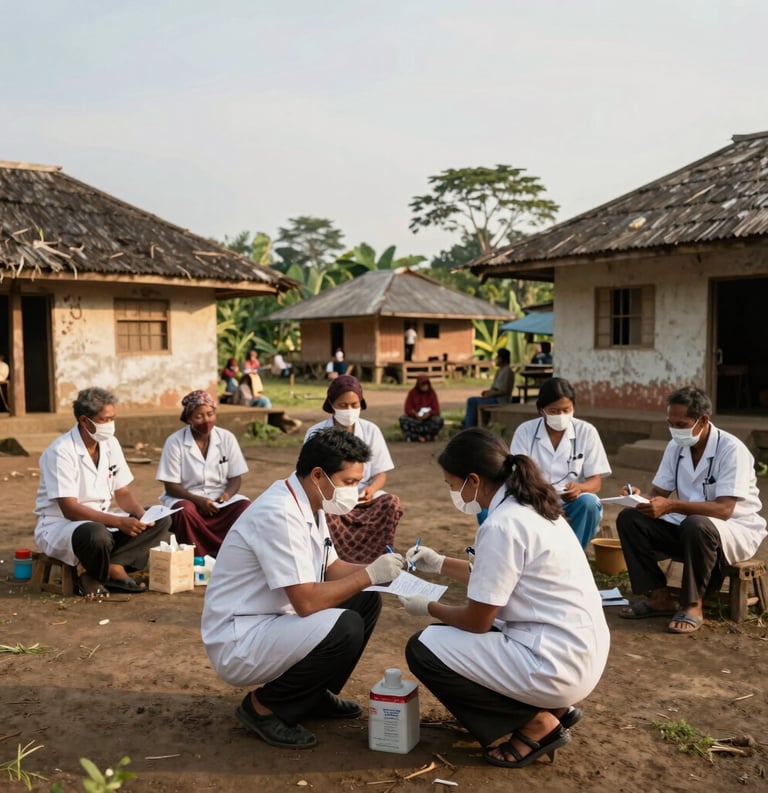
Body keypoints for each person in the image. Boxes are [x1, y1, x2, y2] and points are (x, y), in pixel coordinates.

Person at [399, 428, 609, 769]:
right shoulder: (534, 507)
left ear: (473, 480)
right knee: (452, 637)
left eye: (453, 485)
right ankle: (551, 709)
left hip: (555, 664)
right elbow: (497, 578)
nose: (454, 493)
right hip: (579, 652)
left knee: (425, 647)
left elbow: (477, 621)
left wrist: (427, 606)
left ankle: (534, 723)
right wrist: (438, 563)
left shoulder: (501, 525)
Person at [201, 428, 404, 750]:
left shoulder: (309, 503)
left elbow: (333, 567)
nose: (355, 491)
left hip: (273, 621)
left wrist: (389, 574)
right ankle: (263, 707)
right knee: (346, 624)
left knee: (365, 601)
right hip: (241, 636)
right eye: (350, 482)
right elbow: (307, 602)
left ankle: (312, 693)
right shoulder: (279, 512)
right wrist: (370, 574)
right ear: (319, 475)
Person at [617, 386, 767, 634]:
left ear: (703, 420)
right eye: (671, 423)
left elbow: (724, 509)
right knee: (630, 519)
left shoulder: (731, 449)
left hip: (733, 531)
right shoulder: (675, 447)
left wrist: (673, 506)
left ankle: (692, 604)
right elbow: (658, 495)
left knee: (697, 523)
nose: (675, 429)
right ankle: (659, 596)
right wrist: (637, 498)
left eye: (681, 423)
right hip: (688, 527)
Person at [34, 387, 171, 597]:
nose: (110, 425)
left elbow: (122, 491)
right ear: (84, 420)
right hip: (63, 526)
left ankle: (113, 566)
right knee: (97, 535)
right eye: (104, 420)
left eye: (112, 419)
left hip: (104, 518)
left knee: (161, 519)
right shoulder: (61, 452)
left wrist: (141, 515)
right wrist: (117, 523)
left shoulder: (110, 444)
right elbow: (69, 509)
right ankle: (95, 575)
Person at [304, 375, 403, 564]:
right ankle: (334, 563)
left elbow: (381, 473)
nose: (349, 410)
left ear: (361, 404)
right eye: (342, 405)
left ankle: (375, 560)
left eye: (354, 404)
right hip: (329, 495)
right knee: (324, 512)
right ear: (331, 404)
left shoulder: (371, 430)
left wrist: (371, 491)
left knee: (391, 503)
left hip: (363, 496)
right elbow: (310, 476)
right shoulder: (316, 434)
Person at [510, 377, 610, 548]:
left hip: (570, 503)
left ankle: (574, 555)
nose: (561, 416)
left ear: (573, 408)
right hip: (533, 499)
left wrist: (580, 488)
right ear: (541, 410)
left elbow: (596, 481)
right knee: (494, 507)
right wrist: (542, 497)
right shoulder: (525, 431)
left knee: (590, 503)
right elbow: (517, 475)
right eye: (554, 411)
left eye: (566, 410)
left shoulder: (587, 432)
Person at [156, 390, 251, 557]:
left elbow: (236, 477)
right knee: (184, 511)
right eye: (199, 416)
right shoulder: (175, 442)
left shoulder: (227, 438)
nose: (206, 420)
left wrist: (227, 495)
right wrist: (198, 500)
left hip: (219, 500)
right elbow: (170, 486)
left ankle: (229, 555)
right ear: (188, 419)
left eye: (210, 414)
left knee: (245, 507)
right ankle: (199, 556)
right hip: (187, 498)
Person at [462, 348, 514, 428]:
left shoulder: (507, 371)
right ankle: (469, 424)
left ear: (502, 359)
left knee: (472, 401)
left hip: (500, 400)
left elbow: (503, 391)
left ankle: (468, 427)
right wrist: (488, 392)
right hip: (495, 398)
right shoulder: (501, 370)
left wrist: (490, 394)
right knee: (474, 401)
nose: (496, 360)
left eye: (498, 358)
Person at [399, 374, 445, 443]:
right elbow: (407, 408)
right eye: (423, 384)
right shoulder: (412, 393)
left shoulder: (432, 393)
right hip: (415, 419)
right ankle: (416, 436)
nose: (425, 386)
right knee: (403, 419)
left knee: (439, 420)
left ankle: (429, 435)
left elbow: (436, 410)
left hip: (428, 419)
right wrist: (415, 414)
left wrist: (429, 414)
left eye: (426, 384)